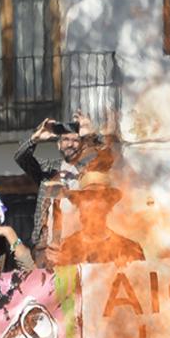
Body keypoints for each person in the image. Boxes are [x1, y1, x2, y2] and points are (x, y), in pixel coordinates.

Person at [16, 110, 104, 260]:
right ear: (58, 144)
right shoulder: (47, 170)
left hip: (79, 248)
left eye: (76, 140)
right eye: (66, 140)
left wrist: (90, 132)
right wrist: (35, 138)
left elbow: (107, 154)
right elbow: (21, 158)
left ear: (83, 145)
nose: (71, 144)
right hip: (45, 250)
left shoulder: (90, 172)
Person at [44, 170, 145, 266]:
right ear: (79, 204)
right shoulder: (64, 249)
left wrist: (130, 269)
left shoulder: (130, 249)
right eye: (87, 197)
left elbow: (144, 281)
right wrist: (50, 261)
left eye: (100, 197)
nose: (93, 204)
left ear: (109, 205)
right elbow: (54, 281)